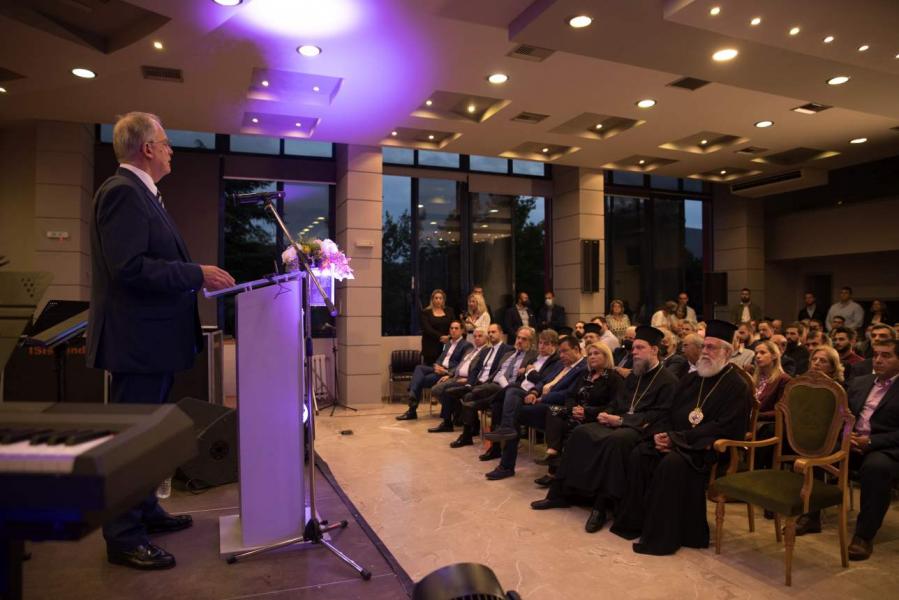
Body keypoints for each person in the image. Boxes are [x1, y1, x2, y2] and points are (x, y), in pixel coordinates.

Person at [86, 112, 236, 570]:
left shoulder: (143, 195)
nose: (172, 150)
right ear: (147, 148)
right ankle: (123, 537)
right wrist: (196, 274)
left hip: (151, 341)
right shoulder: (122, 193)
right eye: (166, 142)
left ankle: (145, 511)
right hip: (138, 343)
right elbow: (129, 269)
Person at [610, 320, 752, 555]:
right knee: (640, 454)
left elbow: (725, 426)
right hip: (678, 439)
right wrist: (663, 435)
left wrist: (677, 440)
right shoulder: (691, 379)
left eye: (712, 347)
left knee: (671, 464)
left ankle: (663, 536)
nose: (705, 352)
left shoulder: (737, 386)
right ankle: (636, 523)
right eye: (704, 346)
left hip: (707, 448)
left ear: (727, 353)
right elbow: (668, 411)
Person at [530, 327, 678, 533]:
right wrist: (605, 414)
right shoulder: (635, 376)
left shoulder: (668, 380)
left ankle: (600, 506)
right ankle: (560, 494)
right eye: (634, 348)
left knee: (615, 441)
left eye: (640, 348)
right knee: (581, 433)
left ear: (654, 350)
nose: (634, 352)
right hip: (617, 422)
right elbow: (617, 402)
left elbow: (660, 415)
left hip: (640, 429)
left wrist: (621, 420)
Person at [794, 339, 899, 561]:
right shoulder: (860, 382)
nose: (878, 360)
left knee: (876, 468)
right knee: (818, 450)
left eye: (886, 355)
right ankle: (811, 516)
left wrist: (870, 441)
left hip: (885, 448)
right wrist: (845, 435)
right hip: (850, 441)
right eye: (876, 355)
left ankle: (864, 535)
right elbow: (841, 414)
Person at [482, 336, 586, 476]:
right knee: (512, 390)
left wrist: (542, 398)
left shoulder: (582, 368)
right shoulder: (561, 364)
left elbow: (568, 394)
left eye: (565, 351)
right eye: (560, 352)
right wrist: (534, 392)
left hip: (553, 407)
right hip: (539, 399)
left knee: (512, 412)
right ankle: (506, 430)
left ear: (576, 349)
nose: (561, 355)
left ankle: (506, 465)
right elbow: (543, 381)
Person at [396, 320, 471, 421]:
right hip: (439, 369)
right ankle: (412, 399)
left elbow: (462, 365)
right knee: (419, 368)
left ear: (462, 331)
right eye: (451, 328)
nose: (453, 330)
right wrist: (437, 365)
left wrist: (446, 372)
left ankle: (412, 408)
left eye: (456, 328)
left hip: (447, 373)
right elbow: (441, 358)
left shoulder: (466, 345)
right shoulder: (448, 343)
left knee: (418, 381)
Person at [429, 327, 490, 432]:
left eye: (480, 336)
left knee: (446, 391)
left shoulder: (487, 351)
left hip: (468, 380)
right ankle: (458, 414)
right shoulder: (473, 350)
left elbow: (482, 370)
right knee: (436, 389)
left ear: (486, 338)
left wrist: (468, 379)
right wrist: (450, 375)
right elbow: (461, 364)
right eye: (475, 336)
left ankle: (448, 422)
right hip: (456, 376)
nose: (477, 338)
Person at [420, 289, 456, 365]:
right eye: (436, 298)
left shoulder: (449, 311)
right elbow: (427, 329)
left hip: (447, 344)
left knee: (445, 367)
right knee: (431, 368)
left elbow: (454, 325)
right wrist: (441, 337)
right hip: (430, 346)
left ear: (443, 300)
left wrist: (449, 336)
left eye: (440, 298)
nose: (438, 300)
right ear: (432, 299)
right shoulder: (426, 312)